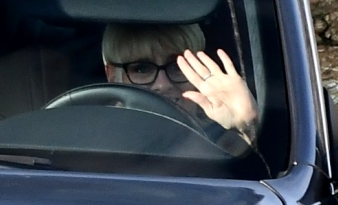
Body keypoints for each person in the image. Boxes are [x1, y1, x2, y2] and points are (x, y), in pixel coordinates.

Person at [100, 19, 258, 154]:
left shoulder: (226, 145)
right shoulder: (91, 140)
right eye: (142, 69)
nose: (163, 84)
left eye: (177, 66)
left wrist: (248, 126)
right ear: (113, 76)